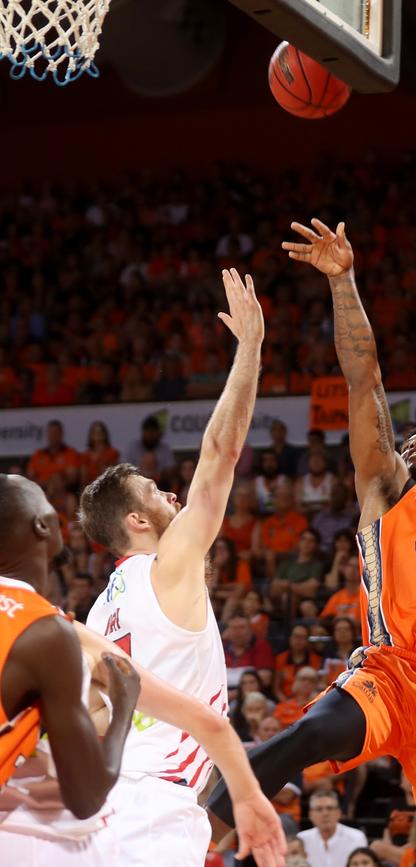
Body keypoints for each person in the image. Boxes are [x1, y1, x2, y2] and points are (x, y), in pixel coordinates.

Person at [209, 222, 416, 867]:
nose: (415, 440)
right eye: (410, 438)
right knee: (305, 737)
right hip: (393, 673)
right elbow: (365, 379)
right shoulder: (388, 491)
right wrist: (343, 281)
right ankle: (182, 829)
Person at [79, 269, 284, 867]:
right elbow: (220, 455)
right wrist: (250, 349)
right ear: (136, 524)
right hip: (153, 807)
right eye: (155, 492)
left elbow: (91, 714)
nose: (171, 495)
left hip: (105, 803)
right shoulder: (167, 565)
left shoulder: (99, 610)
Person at [0, 473, 140, 860]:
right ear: (41, 525)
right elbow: (86, 796)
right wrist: (123, 706)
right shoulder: (43, 631)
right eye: (47, 502)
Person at [297, 791, 368, 867]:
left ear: (339, 813)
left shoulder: (356, 837)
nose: (325, 813)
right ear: (310, 815)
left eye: (330, 808)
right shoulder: (301, 839)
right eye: (319, 809)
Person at [26, 419, 80, 488]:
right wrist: (48, 483)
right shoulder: (38, 453)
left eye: (56, 432)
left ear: (61, 434)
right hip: (40, 490)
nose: (53, 435)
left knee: (56, 477)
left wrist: (53, 483)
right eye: (51, 432)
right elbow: (30, 477)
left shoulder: (70, 453)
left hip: (62, 492)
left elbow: (72, 479)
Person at [80, 421, 120, 486]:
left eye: (100, 432)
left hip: (108, 486)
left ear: (105, 434)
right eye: (95, 432)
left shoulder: (112, 452)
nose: (98, 434)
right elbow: (83, 479)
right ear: (90, 435)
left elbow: (116, 474)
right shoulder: (85, 455)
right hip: (90, 488)